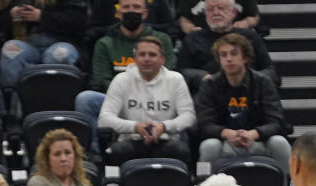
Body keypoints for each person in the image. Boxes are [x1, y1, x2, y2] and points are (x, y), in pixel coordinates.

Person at [74, 0, 176, 150]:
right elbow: (102, 79)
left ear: (145, 13)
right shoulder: (105, 43)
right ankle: (94, 155)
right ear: (118, 13)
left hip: (154, 99)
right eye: (126, 7)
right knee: (86, 99)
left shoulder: (162, 40)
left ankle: (175, 156)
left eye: (136, 7)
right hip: (117, 100)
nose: (131, 11)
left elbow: (167, 74)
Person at [196, 33, 290, 170]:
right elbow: (204, 124)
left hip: (258, 141)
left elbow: (276, 122)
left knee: (279, 142)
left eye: (234, 54)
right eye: (223, 55)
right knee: (208, 146)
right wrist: (226, 133)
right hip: (225, 142)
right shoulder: (209, 84)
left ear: (245, 57)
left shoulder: (263, 82)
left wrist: (254, 134)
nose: (228, 59)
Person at [99, 36, 195, 166]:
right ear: (135, 59)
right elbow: (104, 119)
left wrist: (164, 126)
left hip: (166, 140)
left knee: (181, 151)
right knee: (116, 152)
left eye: (152, 55)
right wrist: (135, 127)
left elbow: (189, 117)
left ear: (162, 59)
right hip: (130, 139)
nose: (146, 59)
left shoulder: (176, 80)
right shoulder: (121, 80)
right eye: (142, 54)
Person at [177, 0, 277, 92]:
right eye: (210, 9)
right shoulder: (192, 39)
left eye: (221, 8)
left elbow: (271, 72)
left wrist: (249, 78)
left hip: (247, 94)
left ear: (233, 12)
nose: (215, 13)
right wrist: (202, 77)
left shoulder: (251, 37)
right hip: (208, 95)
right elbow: (181, 73)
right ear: (205, 14)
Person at [0, 0, 85, 97]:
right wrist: (10, 15)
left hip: (62, 41)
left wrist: (41, 16)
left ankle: (56, 102)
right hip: (28, 43)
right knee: (10, 50)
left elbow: (78, 23)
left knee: (59, 54)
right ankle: (11, 103)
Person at [180, 0, 259, 32]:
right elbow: (184, 19)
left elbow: (253, 16)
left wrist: (245, 23)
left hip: (236, 36)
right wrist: (191, 29)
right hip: (201, 39)